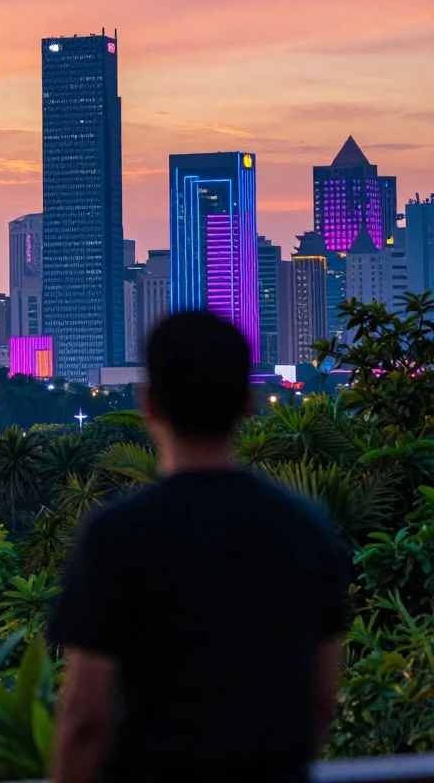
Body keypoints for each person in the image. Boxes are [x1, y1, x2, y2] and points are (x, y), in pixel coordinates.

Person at [50, 311, 348, 783]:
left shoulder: (117, 534)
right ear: (247, 403)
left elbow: (87, 714)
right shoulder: (304, 525)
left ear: (149, 402)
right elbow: (322, 694)